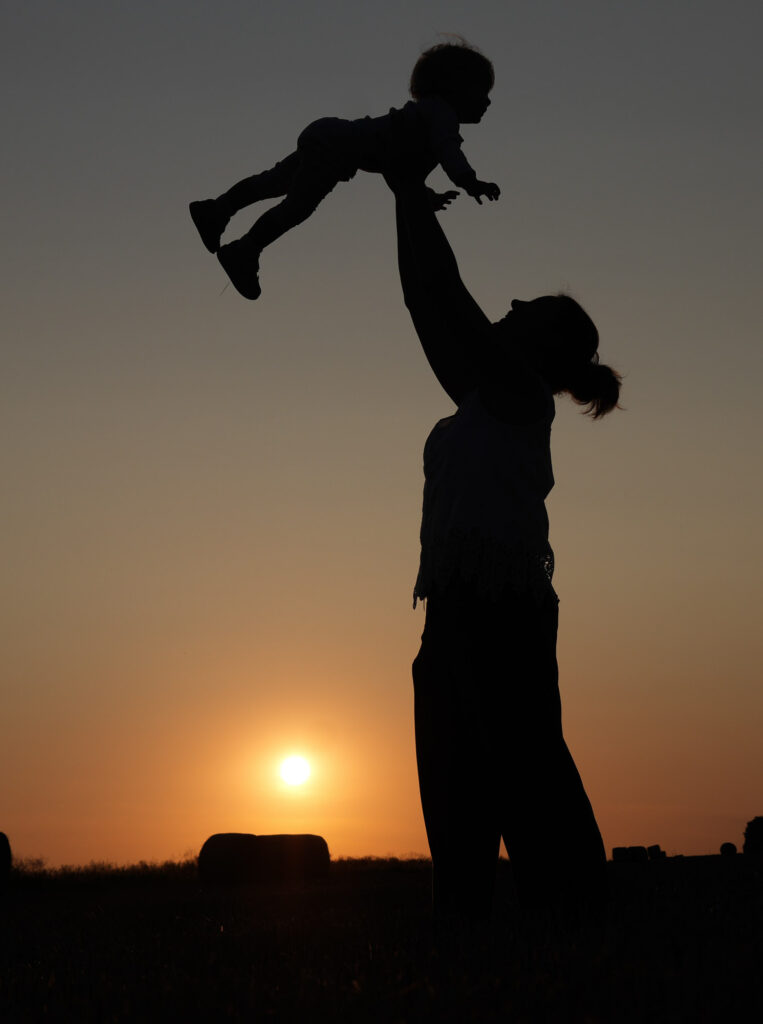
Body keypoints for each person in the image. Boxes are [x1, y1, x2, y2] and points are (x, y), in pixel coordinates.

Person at [389, 173, 622, 930]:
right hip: (455, 610)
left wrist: (416, 202)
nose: (515, 304)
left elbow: (449, 299)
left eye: (533, 308)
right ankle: (467, 933)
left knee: (524, 773)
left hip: (503, 608)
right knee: (456, 779)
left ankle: (578, 924)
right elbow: (425, 303)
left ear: (545, 347)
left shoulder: (519, 394)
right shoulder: (481, 395)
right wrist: (404, 197)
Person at [189, 41, 500, 300]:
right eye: (481, 91)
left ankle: (217, 210)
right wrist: (470, 181)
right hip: (335, 148)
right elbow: (449, 151)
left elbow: (397, 170)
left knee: (272, 182)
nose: (487, 101)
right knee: (296, 206)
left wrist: (425, 196)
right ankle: (244, 250)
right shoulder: (442, 116)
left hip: (329, 135)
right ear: (454, 87)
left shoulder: (423, 117)